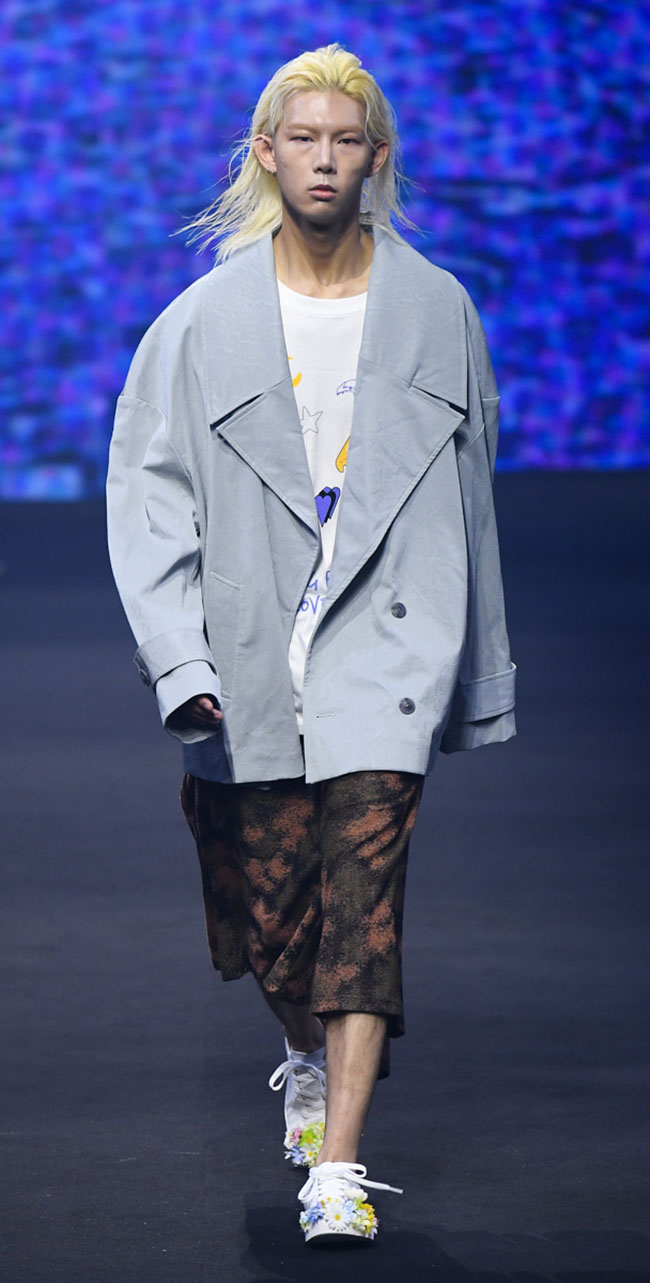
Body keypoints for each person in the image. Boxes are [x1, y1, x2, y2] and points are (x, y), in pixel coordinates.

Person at [106, 42, 517, 1248]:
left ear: (375, 157)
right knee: (269, 912)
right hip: (246, 657)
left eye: (345, 140)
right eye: (303, 139)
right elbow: (147, 502)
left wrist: (475, 672)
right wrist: (180, 663)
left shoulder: (436, 312)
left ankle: (336, 1164)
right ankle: (301, 1049)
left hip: (386, 647)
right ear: (265, 154)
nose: (324, 160)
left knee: (362, 903)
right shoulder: (198, 325)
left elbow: (472, 496)